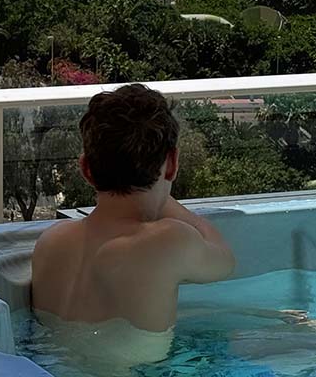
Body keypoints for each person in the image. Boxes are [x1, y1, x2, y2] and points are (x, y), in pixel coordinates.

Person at [31, 84, 235, 366]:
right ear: (173, 163)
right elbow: (225, 261)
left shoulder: (51, 242)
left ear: (86, 169)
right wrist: (164, 197)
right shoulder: (170, 240)